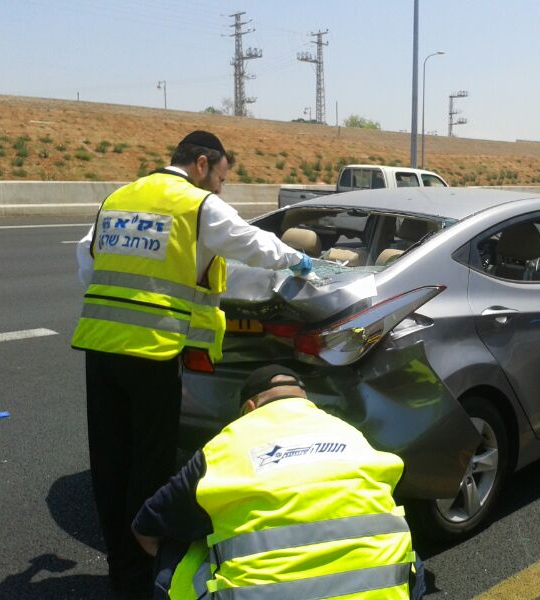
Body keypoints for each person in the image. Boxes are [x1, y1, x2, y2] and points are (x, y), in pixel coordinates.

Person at [71, 130, 313, 597]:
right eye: (221, 177)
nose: (221, 187)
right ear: (202, 164)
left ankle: (120, 567)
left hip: (101, 348)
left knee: (110, 462)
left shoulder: (120, 197)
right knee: (149, 465)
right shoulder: (197, 204)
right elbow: (254, 245)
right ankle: (143, 576)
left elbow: (88, 261)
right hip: (153, 353)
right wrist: (300, 261)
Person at [132, 364, 423, 600]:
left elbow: (146, 528)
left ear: (248, 408)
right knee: (410, 556)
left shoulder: (225, 445)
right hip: (379, 593)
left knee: (173, 557)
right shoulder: (350, 434)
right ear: (305, 402)